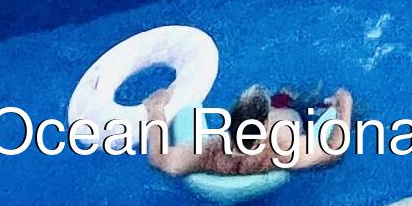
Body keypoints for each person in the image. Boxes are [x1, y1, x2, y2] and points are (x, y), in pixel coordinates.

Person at [146, 83, 354, 182]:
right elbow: (333, 153)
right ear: (264, 126)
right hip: (298, 120)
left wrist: (156, 109)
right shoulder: (281, 151)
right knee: (293, 98)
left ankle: (283, 98)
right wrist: (345, 104)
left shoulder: (210, 152)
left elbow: (159, 160)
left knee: (282, 96)